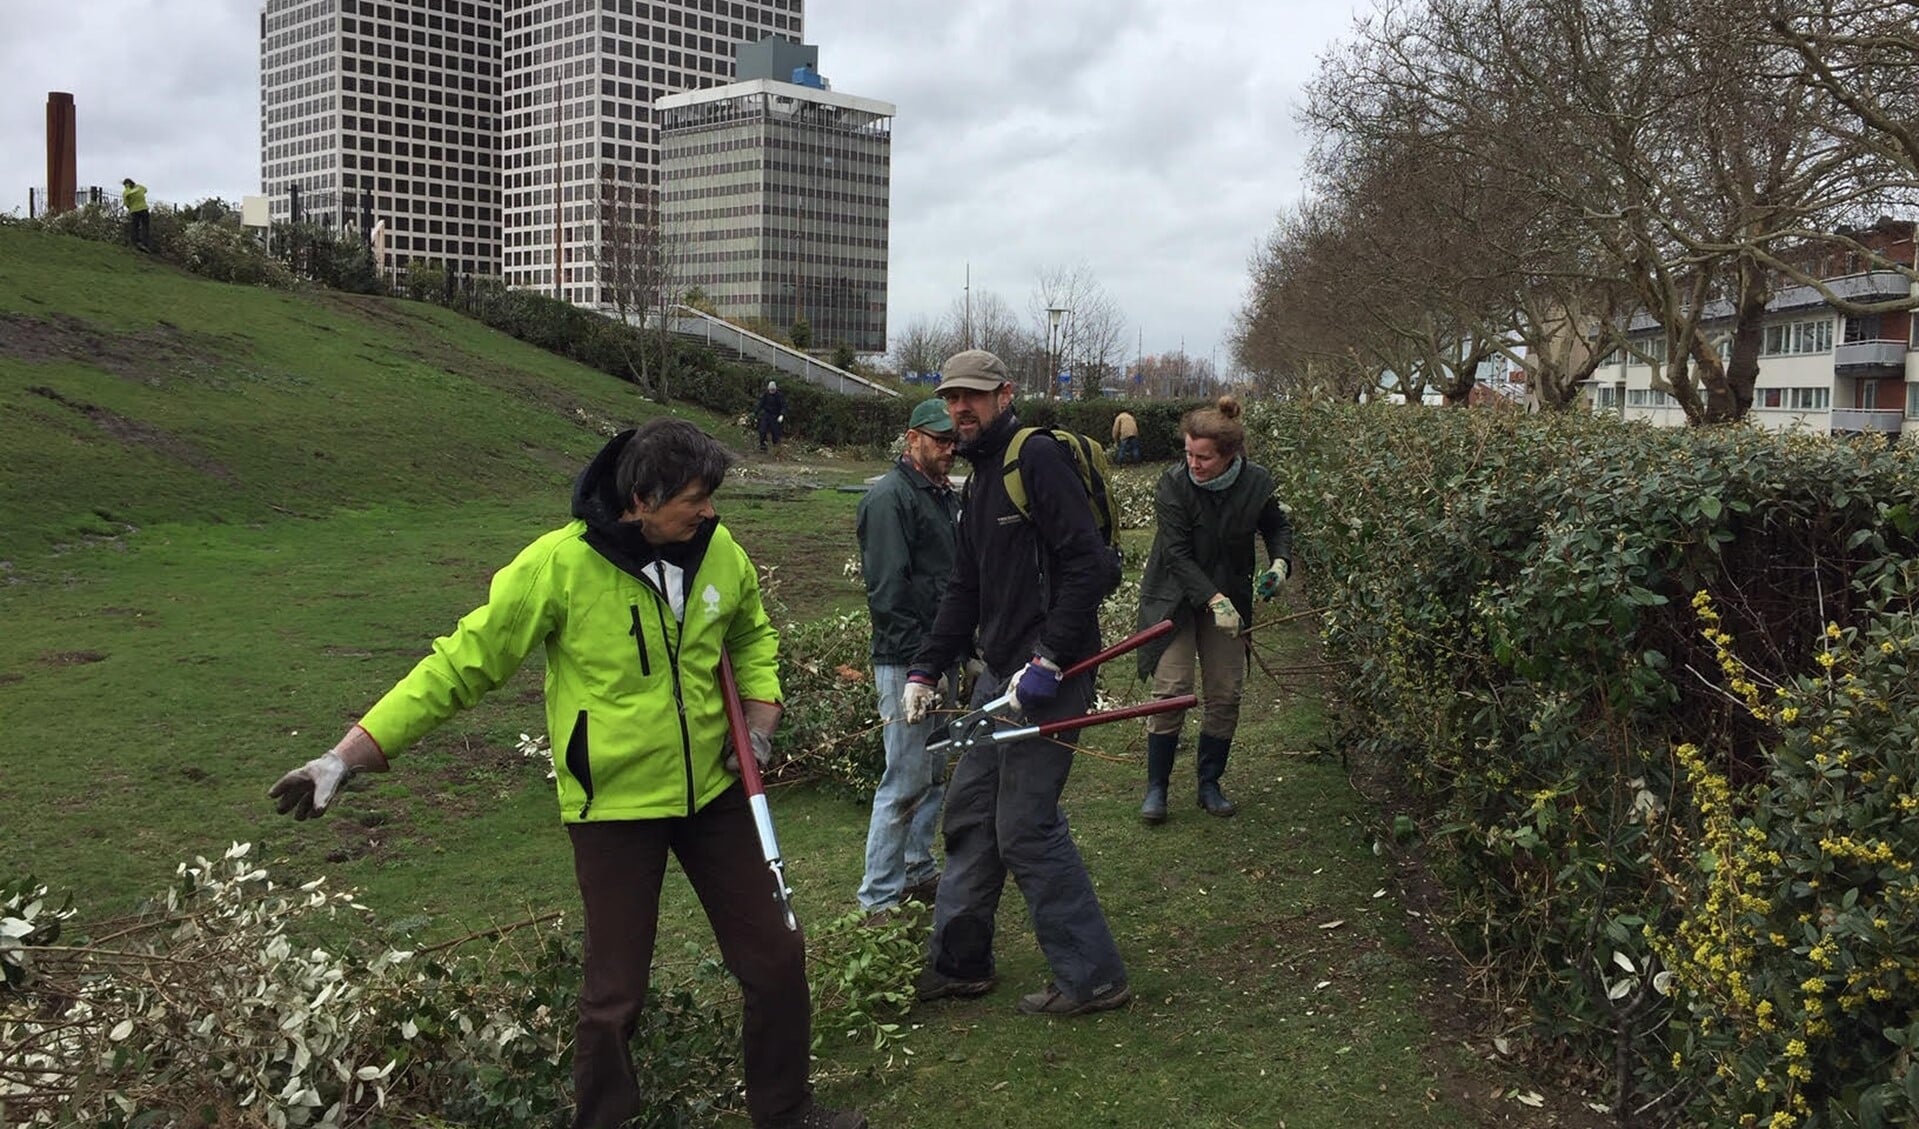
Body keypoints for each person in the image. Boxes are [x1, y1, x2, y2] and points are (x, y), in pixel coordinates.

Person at [267, 419, 865, 1129]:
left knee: (775, 954)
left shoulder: (718, 549)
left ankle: (786, 1109)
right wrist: (347, 754)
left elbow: (749, 632)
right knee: (615, 996)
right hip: (612, 806)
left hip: (715, 792)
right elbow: (460, 665)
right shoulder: (557, 565)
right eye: (695, 498)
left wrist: (760, 720)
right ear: (641, 498)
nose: (709, 512)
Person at [900, 348, 1132, 1018]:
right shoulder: (978, 482)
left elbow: (1087, 566)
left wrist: (1051, 658)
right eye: (950, 398)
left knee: (1024, 825)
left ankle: (1093, 976)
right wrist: (924, 664)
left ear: (1005, 393)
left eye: (971, 396)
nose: (959, 409)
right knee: (971, 815)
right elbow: (964, 587)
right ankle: (960, 961)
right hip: (998, 675)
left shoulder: (1035, 459)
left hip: (1050, 675)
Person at [1132, 395, 1293, 823]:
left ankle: (1209, 784)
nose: (1193, 464)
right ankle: (1157, 788)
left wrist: (1280, 563)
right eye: (1188, 454)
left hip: (1230, 599)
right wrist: (1212, 598)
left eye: (1203, 457)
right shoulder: (1173, 484)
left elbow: (1276, 525)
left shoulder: (1257, 483)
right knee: (1171, 691)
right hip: (1173, 598)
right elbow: (1178, 555)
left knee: (1226, 692)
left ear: (1230, 456)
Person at [855, 398, 962, 918]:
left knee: (933, 770)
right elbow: (888, 589)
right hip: (907, 661)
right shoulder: (890, 499)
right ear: (911, 438)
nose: (948, 449)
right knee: (903, 779)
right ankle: (877, 895)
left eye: (952, 441)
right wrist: (920, 667)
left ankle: (918, 870)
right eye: (939, 440)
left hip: (942, 655)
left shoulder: (941, 496)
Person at [121, 177, 151, 252]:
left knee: (134, 227)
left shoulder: (125, 192)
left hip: (134, 210)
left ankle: (136, 242)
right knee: (145, 227)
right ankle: (144, 243)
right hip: (144, 208)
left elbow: (126, 203)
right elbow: (145, 190)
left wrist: (130, 206)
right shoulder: (140, 187)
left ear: (126, 185)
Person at [757, 380, 787, 451]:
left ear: (775, 389)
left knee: (775, 432)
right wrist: (755, 412)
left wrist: (782, 414)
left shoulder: (779, 395)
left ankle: (776, 447)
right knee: (762, 430)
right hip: (767, 414)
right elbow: (761, 404)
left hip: (775, 415)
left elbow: (784, 406)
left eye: (773, 390)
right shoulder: (766, 394)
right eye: (770, 390)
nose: (771, 391)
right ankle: (763, 445)